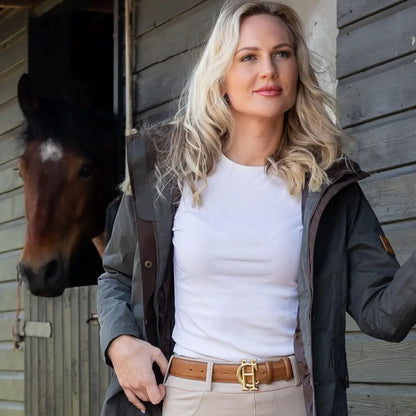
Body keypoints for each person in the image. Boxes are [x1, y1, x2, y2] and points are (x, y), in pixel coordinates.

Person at [97, 1, 416, 415]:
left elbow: (383, 314)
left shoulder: (328, 187)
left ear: (297, 69)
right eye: (249, 57)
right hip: (189, 398)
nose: (269, 69)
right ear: (222, 77)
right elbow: (116, 274)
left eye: (281, 54)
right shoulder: (166, 169)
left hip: (288, 400)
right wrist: (119, 342)